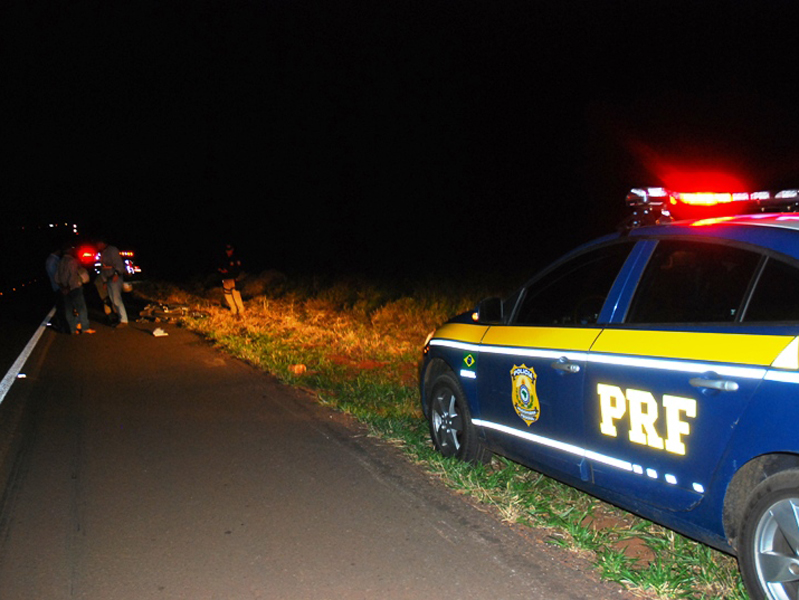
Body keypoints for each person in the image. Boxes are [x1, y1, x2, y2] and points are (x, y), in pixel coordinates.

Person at [54, 245, 95, 335]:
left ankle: (72, 329)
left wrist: (63, 287)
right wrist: (68, 287)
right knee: (81, 308)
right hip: (74, 288)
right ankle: (85, 327)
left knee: (68, 310)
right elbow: (72, 276)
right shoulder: (72, 261)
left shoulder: (60, 262)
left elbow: (56, 277)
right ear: (69, 250)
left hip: (64, 289)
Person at [96, 237, 129, 328]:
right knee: (113, 300)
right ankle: (120, 318)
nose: (97, 246)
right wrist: (104, 281)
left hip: (114, 277)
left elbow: (118, 263)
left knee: (116, 299)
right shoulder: (104, 252)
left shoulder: (112, 250)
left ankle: (124, 320)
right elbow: (103, 268)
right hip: (108, 277)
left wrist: (117, 273)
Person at [218, 243, 245, 317]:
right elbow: (220, 266)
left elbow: (238, 268)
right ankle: (233, 309)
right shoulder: (224, 258)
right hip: (225, 278)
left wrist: (231, 272)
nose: (228, 251)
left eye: (229, 250)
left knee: (236, 294)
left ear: (232, 250)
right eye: (227, 250)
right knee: (227, 294)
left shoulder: (236, 258)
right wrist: (221, 270)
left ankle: (241, 309)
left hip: (233, 278)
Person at [45, 247, 67, 332]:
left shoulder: (55, 259)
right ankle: (61, 326)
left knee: (62, 307)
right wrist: (62, 287)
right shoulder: (52, 261)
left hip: (58, 287)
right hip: (58, 287)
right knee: (61, 307)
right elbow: (55, 277)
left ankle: (61, 324)